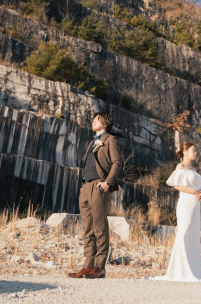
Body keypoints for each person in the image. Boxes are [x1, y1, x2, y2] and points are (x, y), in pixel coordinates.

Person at [68, 112, 121, 279]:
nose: (93, 121)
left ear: (104, 123)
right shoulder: (92, 142)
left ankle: (99, 267)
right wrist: (84, 185)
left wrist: (107, 183)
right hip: (86, 186)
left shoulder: (110, 140)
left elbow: (117, 163)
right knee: (87, 228)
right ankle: (88, 266)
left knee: (99, 227)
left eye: (96, 119)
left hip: (99, 185)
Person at [151, 142, 201, 283]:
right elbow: (177, 185)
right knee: (184, 231)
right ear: (185, 152)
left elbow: (198, 186)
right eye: (193, 150)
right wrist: (194, 191)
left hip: (196, 205)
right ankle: (180, 269)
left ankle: (193, 268)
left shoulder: (194, 169)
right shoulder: (180, 167)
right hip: (186, 203)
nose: (195, 153)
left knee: (194, 234)